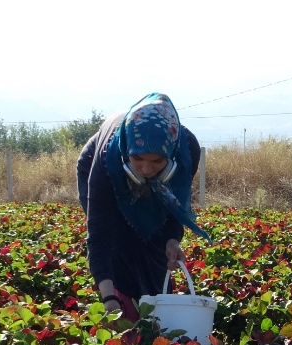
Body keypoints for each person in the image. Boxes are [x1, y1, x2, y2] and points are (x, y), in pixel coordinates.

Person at [77, 92, 210, 321]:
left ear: (170, 154)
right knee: (120, 243)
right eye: (138, 159)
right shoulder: (107, 159)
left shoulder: (186, 149)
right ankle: (122, 307)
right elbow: (99, 237)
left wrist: (172, 239)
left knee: (157, 248)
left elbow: (174, 204)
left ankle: (154, 315)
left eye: (157, 161)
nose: (146, 170)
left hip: (160, 176)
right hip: (102, 165)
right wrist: (109, 300)